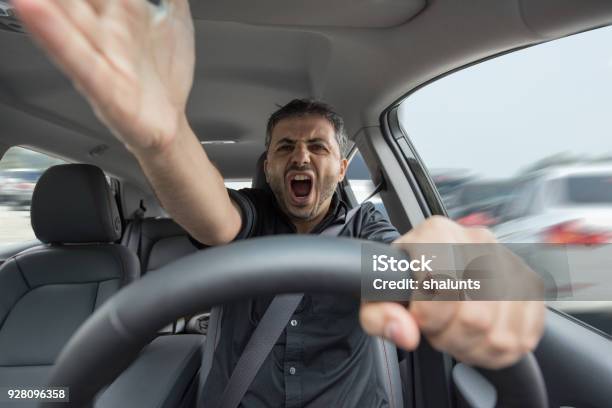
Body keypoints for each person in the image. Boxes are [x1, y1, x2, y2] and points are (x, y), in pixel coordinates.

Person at [12, 0, 545, 406]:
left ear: (341, 166)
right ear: (267, 166)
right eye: (285, 147)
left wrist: (468, 275)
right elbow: (212, 215)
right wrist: (165, 138)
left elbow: (409, 261)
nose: (301, 158)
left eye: (318, 147)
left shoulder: (365, 225)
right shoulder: (251, 218)